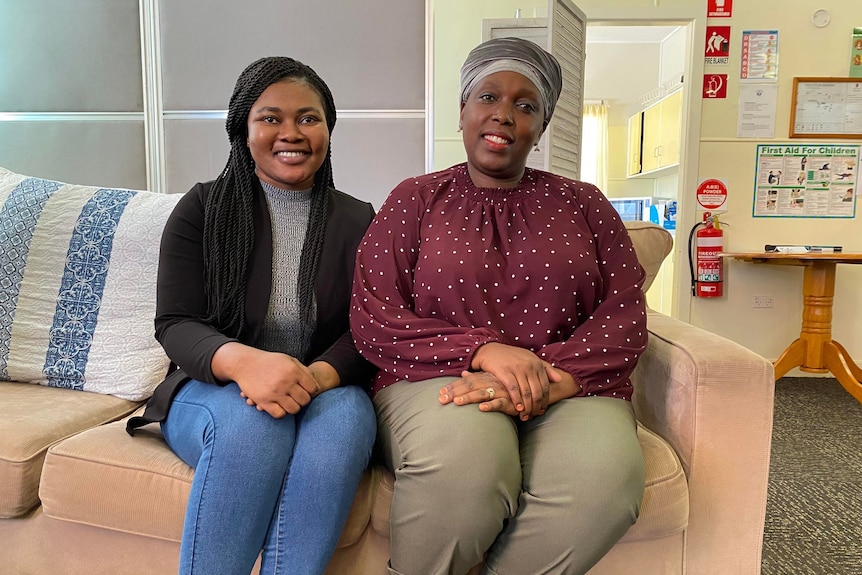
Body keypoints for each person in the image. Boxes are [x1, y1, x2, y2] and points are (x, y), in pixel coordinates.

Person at [350, 37, 647, 575]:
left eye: (525, 105)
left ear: (542, 123)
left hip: (571, 387)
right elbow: (375, 316)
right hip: (433, 380)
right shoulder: (414, 198)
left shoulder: (584, 203)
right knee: (468, 465)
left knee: (604, 484)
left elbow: (624, 315)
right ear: (463, 110)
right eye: (488, 97)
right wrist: (484, 352)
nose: (503, 115)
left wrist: (552, 378)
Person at [126, 56, 377, 575]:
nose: (292, 132)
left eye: (309, 118)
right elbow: (175, 322)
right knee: (255, 427)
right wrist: (245, 364)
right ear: (243, 128)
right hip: (211, 387)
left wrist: (315, 376)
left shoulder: (358, 218)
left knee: (348, 421)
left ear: (329, 128)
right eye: (271, 118)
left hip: (321, 384)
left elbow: (370, 325)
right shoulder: (202, 208)